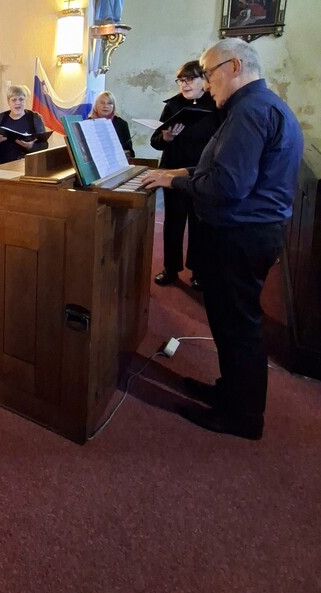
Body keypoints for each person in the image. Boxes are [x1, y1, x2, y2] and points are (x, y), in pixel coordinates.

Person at [139, 39, 303, 440]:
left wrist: (177, 182)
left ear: (234, 66)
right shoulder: (257, 105)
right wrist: (179, 172)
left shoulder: (249, 112)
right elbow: (221, 168)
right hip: (248, 231)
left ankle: (243, 416)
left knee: (238, 327)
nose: (207, 83)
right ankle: (230, 392)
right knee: (231, 323)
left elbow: (227, 186)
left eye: (209, 74)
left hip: (240, 233)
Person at [150, 60, 220, 288]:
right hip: (173, 172)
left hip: (202, 172)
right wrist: (166, 138)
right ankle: (170, 269)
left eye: (190, 79)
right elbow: (155, 141)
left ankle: (198, 271)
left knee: (200, 223)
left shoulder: (215, 105)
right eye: (181, 80)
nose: (185, 84)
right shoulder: (172, 105)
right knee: (173, 222)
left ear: (204, 80)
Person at [0, 85, 49, 165]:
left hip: (29, 166)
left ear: (25, 100)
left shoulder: (35, 118)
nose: (18, 103)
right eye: (14, 100)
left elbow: (44, 145)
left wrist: (31, 146)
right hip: (3, 166)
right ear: (8, 102)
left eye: (21, 99)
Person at [89, 90, 133, 157]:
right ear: (96, 105)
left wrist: (123, 153)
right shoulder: (87, 122)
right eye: (102, 103)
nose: (106, 106)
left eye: (109, 103)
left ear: (113, 106)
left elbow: (130, 152)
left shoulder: (122, 124)